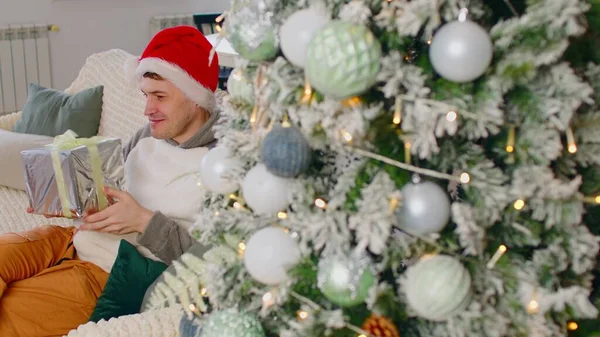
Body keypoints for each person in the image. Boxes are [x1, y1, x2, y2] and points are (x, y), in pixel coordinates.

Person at [0, 26, 220, 336]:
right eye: (145, 95)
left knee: (8, 319)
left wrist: (144, 222)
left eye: (160, 97)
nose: (147, 110)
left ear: (196, 97)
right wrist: (74, 203)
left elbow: (213, 263)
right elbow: (109, 190)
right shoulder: (147, 135)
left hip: (103, 271)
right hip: (67, 239)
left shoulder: (222, 166)